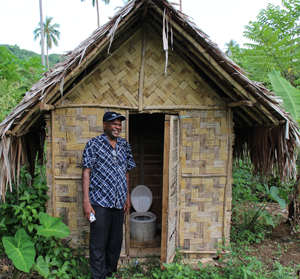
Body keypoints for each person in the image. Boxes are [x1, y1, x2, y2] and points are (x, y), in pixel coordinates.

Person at [82, 111, 136, 279]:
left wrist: (127, 196)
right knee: (98, 243)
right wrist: (86, 201)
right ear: (105, 125)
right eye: (113, 123)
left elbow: (126, 171)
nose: (117, 127)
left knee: (114, 243)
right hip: (99, 202)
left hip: (119, 202)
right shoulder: (93, 144)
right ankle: (98, 277)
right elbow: (86, 173)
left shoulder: (124, 145)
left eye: (119, 124)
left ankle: (110, 274)